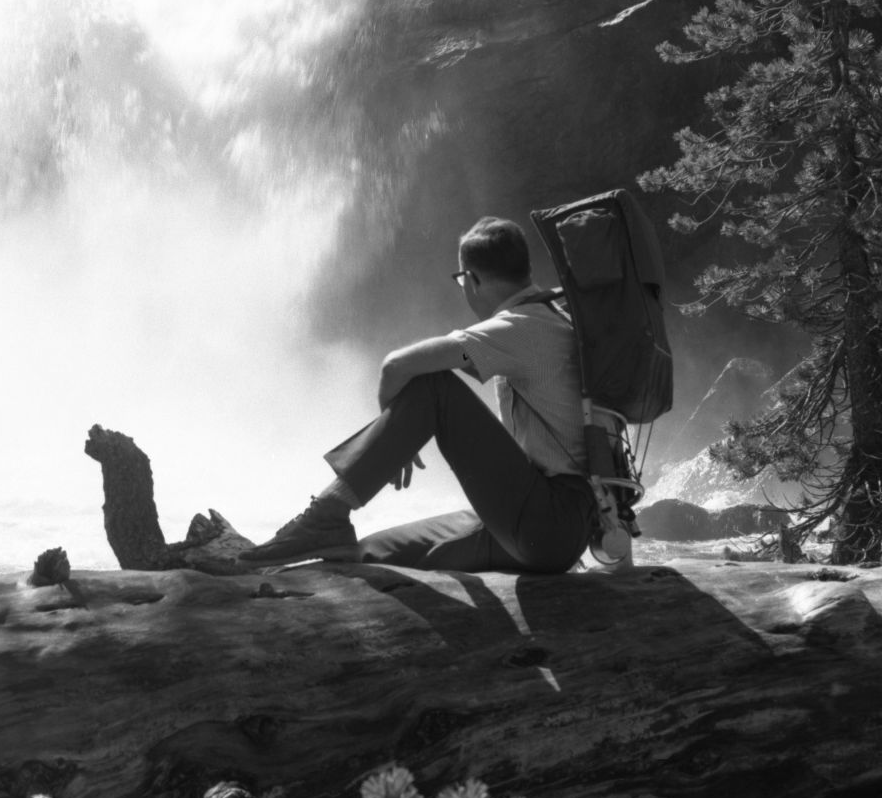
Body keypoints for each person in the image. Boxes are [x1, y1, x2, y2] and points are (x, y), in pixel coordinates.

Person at [237, 215, 627, 572]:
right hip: (553, 525)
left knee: (435, 386)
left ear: (472, 279)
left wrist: (397, 444)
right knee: (368, 554)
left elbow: (396, 366)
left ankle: (326, 515)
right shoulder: (557, 318)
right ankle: (330, 538)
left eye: (462, 281)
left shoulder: (520, 328)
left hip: (547, 522)